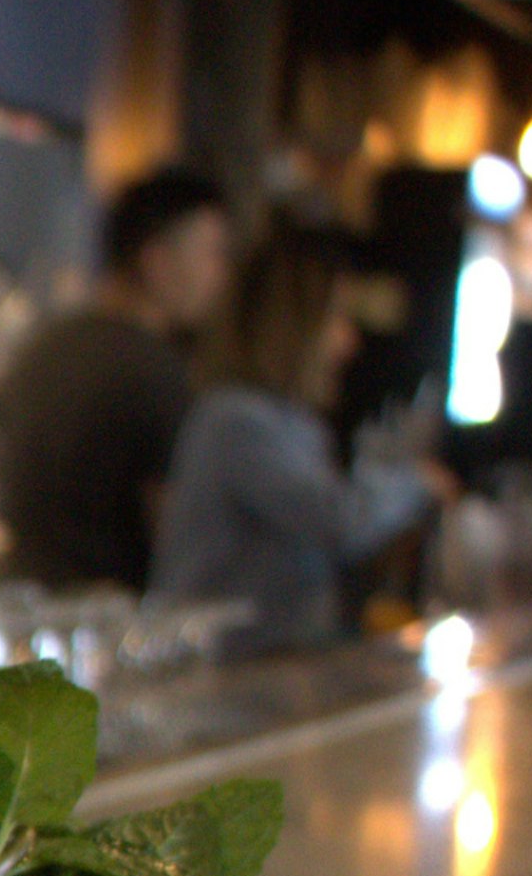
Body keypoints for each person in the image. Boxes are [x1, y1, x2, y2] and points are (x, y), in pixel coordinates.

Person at [149, 223, 443, 654]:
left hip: (256, 675)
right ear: (292, 324)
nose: (348, 341)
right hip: (215, 680)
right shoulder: (235, 419)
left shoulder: (290, 424)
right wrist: (417, 481)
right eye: (335, 318)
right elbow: (337, 520)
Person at [0, 166, 234, 589]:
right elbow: (176, 541)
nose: (220, 275)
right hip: (111, 622)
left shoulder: (48, 345)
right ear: (156, 261)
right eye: (211, 253)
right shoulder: (152, 370)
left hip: (30, 606)